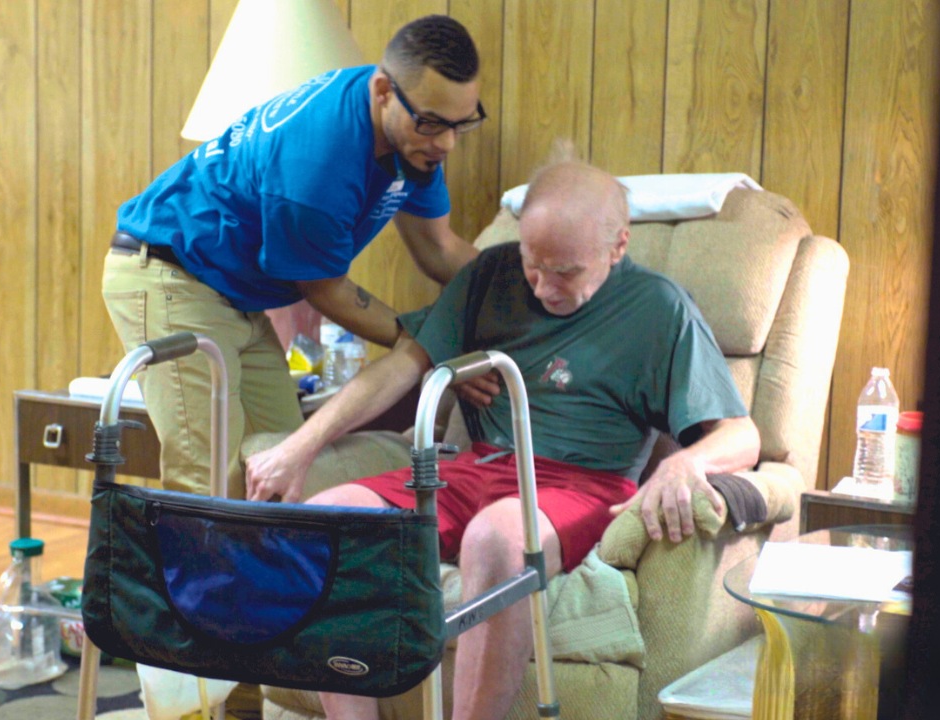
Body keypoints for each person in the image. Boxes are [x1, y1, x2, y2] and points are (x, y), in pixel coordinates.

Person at [244, 159, 761, 720]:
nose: (542, 286)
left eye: (564, 271)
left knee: (494, 539)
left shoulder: (661, 309)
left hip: (580, 483)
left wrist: (683, 465)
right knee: (329, 520)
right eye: (531, 264)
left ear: (618, 247)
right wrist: (301, 446)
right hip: (477, 467)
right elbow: (399, 369)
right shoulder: (490, 274)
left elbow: (740, 433)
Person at [102, 15, 485, 498]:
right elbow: (325, 289)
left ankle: (268, 575)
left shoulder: (415, 140)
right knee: (209, 479)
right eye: (432, 123)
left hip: (234, 294)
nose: (446, 142)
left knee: (284, 468)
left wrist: (516, 280)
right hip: (170, 274)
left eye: (460, 124)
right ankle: (198, 574)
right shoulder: (320, 160)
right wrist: (425, 342)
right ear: (384, 90)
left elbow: (438, 248)